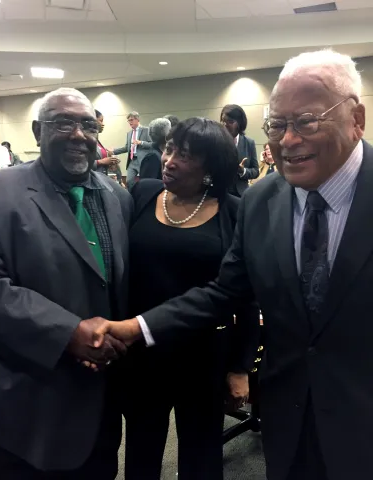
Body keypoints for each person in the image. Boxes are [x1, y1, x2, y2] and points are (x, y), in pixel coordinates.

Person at [93, 50, 371, 480]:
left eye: (307, 121)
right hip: (288, 417)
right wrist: (137, 327)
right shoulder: (262, 201)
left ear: (356, 118)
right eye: (276, 125)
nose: (287, 141)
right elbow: (225, 292)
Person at [0, 87, 133, 479]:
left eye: (89, 125)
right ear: (38, 131)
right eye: (64, 123)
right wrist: (69, 333)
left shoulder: (117, 197)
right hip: (28, 403)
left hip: (102, 400)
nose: (79, 135)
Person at [120, 117, 259, 480]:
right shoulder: (142, 194)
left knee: (201, 452)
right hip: (142, 349)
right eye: (169, 149)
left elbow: (245, 294)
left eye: (184, 155)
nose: (169, 160)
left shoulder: (233, 211)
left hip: (205, 353)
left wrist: (241, 366)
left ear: (211, 166)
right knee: (140, 447)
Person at [220, 104, 259, 196]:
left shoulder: (249, 143)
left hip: (241, 195)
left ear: (240, 123)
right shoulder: (216, 141)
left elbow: (255, 171)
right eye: (223, 121)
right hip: (220, 193)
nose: (225, 125)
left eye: (230, 121)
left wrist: (243, 171)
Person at [112, 111, 151, 190]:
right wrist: (113, 151)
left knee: (144, 182)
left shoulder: (146, 130)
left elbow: (152, 145)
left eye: (131, 120)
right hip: (132, 161)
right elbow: (127, 148)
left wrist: (141, 142)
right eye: (128, 121)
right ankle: (131, 199)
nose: (130, 122)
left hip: (143, 161)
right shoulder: (129, 133)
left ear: (137, 119)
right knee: (129, 181)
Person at [93, 110, 121, 180]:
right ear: (93, 120)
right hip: (92, 180)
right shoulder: (85, 140)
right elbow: (79, 164)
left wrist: (110, 161)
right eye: (101, 120)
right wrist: (101, 162)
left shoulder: (97, 140)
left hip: (101, 178)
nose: (103, 124)